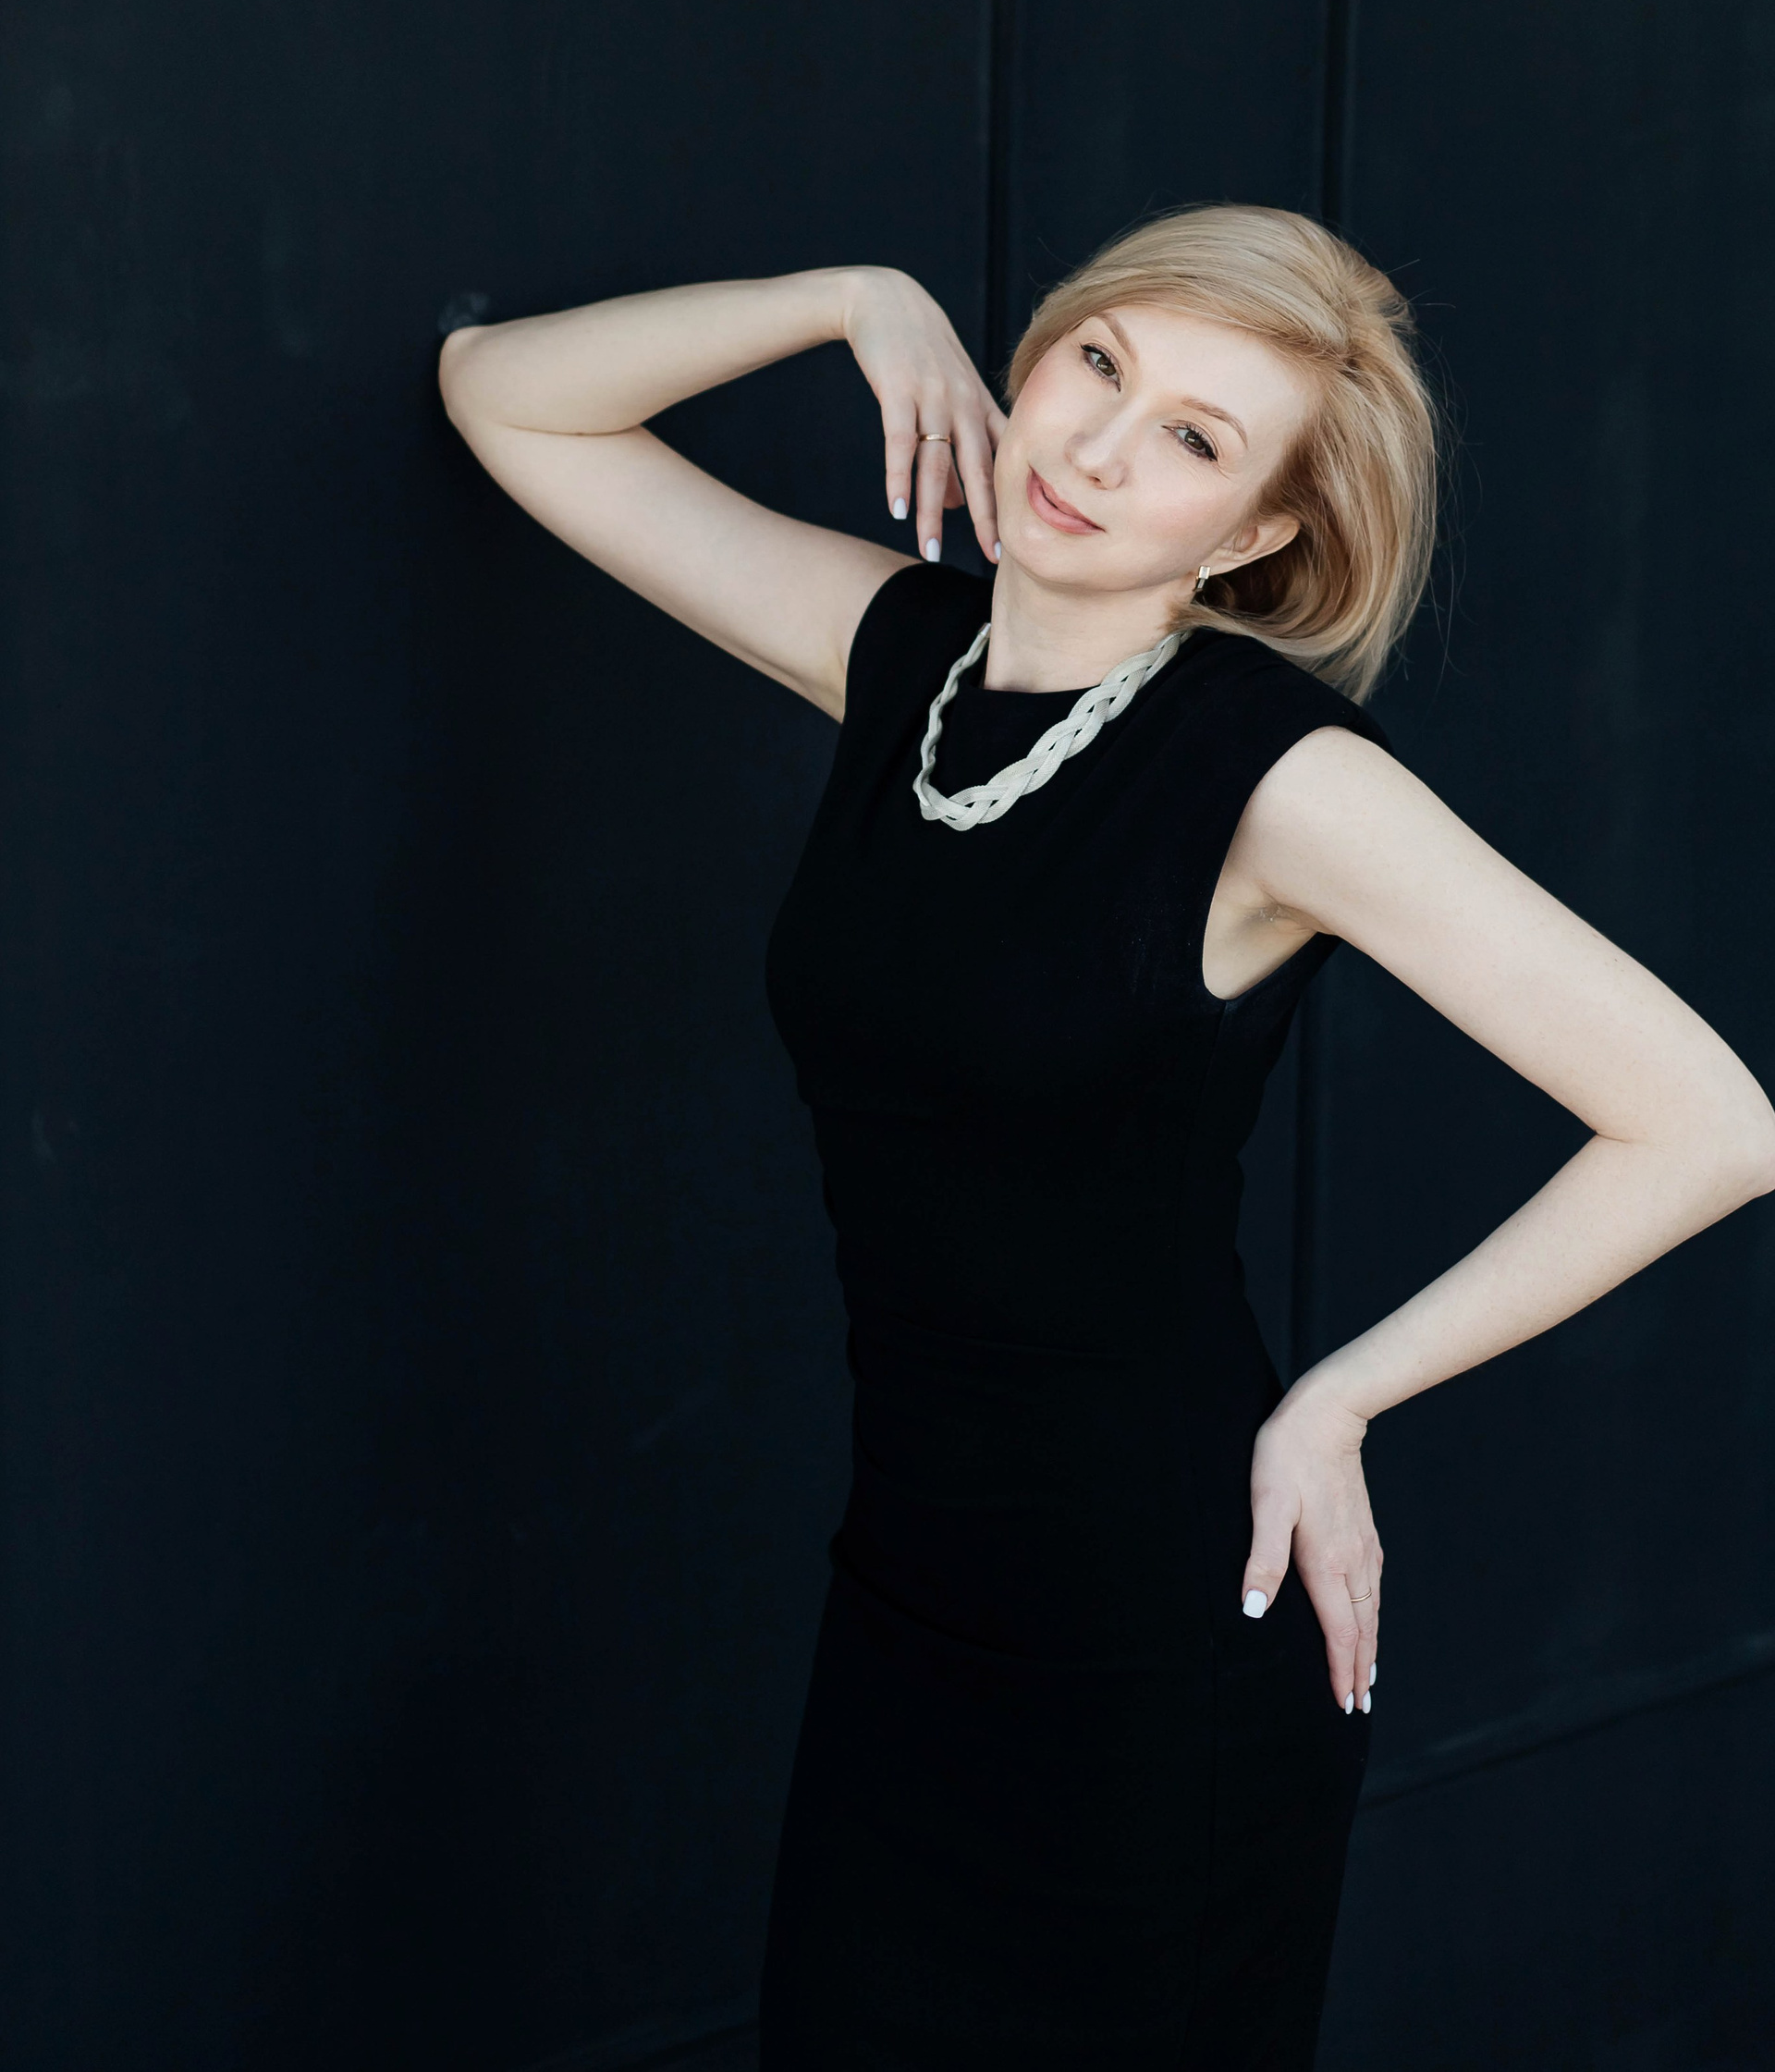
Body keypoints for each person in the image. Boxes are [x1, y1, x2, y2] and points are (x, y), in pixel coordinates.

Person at [438, 206, 1773, 2069]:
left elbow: (1714, 1122)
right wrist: (845, 298)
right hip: (908, 1605)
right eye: (1099, 363)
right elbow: (505, 398)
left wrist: (1341, 1401)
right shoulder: (898, 653)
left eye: (1195, 441)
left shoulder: (1278, 781)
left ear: (1253, 538)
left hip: (1155, 1648)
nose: (1096, 448)